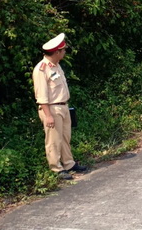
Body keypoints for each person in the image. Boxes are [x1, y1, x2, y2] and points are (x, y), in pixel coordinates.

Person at [33, 33, 87, 180]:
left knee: (65, 137)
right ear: (57, 52)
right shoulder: (41, 69)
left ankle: (69, 164)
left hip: (63, 106)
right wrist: (48, 115)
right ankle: (56, 168)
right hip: (51, 108)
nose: (64, 53)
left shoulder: (56, 66)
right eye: (63, 50)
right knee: (53, 140)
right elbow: (41, 95)